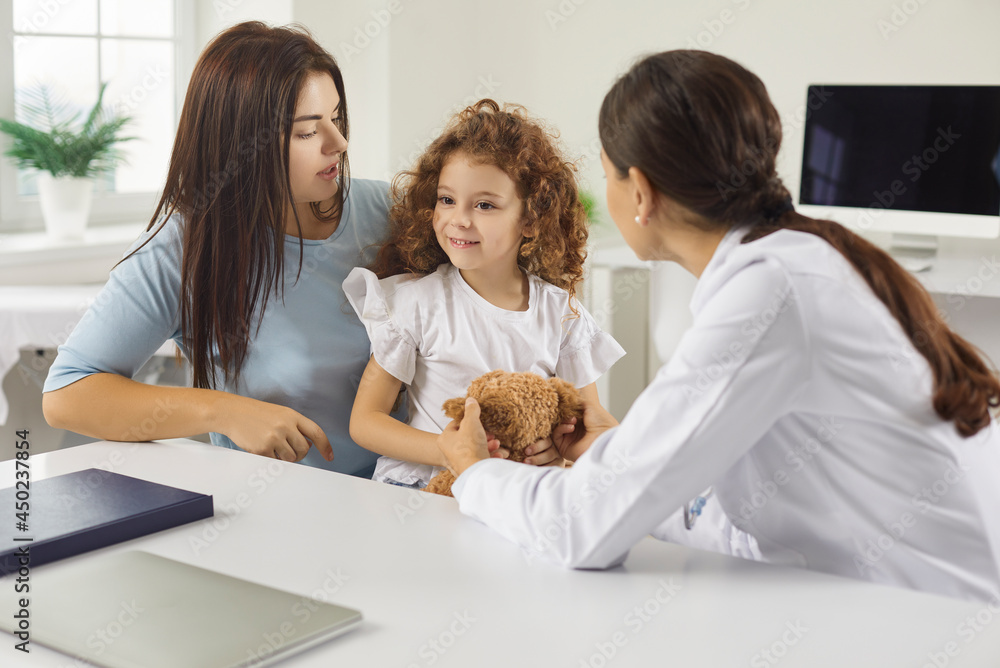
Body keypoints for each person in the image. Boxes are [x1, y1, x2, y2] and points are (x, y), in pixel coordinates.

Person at [436, 51, 1000, 602]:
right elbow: (744, 508)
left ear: (642, 192)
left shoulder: (769, 294)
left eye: (607, 175)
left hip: (932, 622)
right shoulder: (799, 257)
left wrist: (475, 473)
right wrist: (617, 451)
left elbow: (581, 532)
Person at [42, 21, 403, 477]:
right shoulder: (185, 248)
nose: (339, 143)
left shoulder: (388, 212)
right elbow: (68, 395)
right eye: (307, 132)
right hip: (288, 514)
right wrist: (224, 411)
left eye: (337, 118)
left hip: (421, 498)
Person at [344, 99, 625, 488]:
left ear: (529, 220)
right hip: (423, 488)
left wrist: (559, 450)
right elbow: (365, 422)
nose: (458, 219)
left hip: (516, 493)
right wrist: (446, 450)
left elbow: (585, 425)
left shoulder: (563, 317)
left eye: (484, 205)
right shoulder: (416, 304)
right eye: (447, 200)